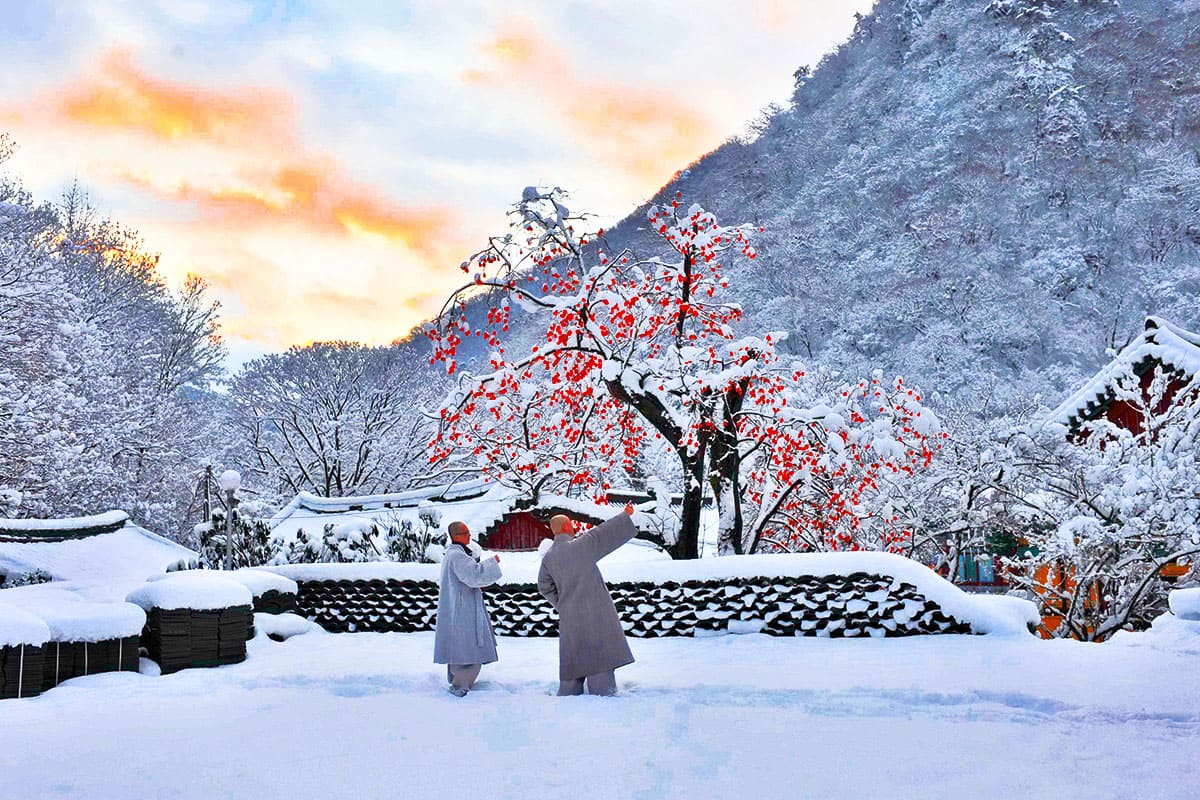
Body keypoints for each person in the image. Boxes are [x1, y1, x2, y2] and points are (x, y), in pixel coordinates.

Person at [537, 504, 637, 696]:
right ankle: (602, 691)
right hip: (595, 610)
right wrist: (625, 515)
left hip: (569, 615)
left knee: (573, 654)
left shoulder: (548, 558)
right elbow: (603, 533)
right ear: (567, 527)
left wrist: (562, 605)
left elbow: (544, 586)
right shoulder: (581, 546)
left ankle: (569, 692)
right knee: (598, 655)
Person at [433, 520, 502, 697]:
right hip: (463, 608)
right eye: (465, 533)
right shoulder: (457, 556)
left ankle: (459, 680)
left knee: (460, 645)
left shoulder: (455, 554)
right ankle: (460, 684)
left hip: (460, 605)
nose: (469, 536)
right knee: (468, 646)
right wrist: (492, 563)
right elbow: (473, 576)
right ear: (455, 536)